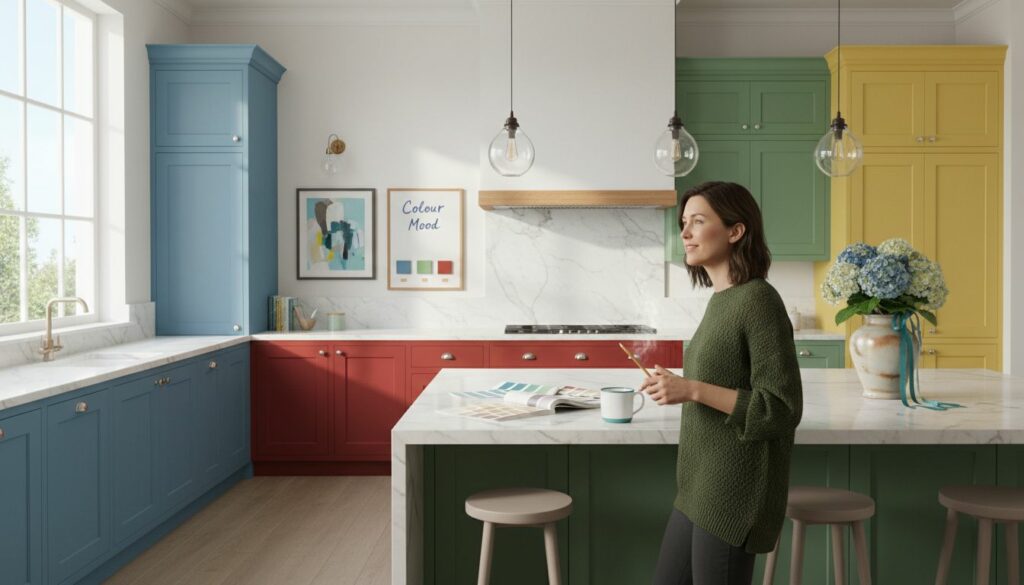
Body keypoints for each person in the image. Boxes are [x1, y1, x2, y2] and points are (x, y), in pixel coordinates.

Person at [642, 181, 803, 585]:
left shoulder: (758, 300)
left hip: (734, 492)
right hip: (697, 485)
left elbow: (780, 409)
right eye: (684, 223)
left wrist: (691, 389)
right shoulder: (722, 300)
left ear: (735, 231)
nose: (685, 233)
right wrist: (678, 384)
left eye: (698, 221)